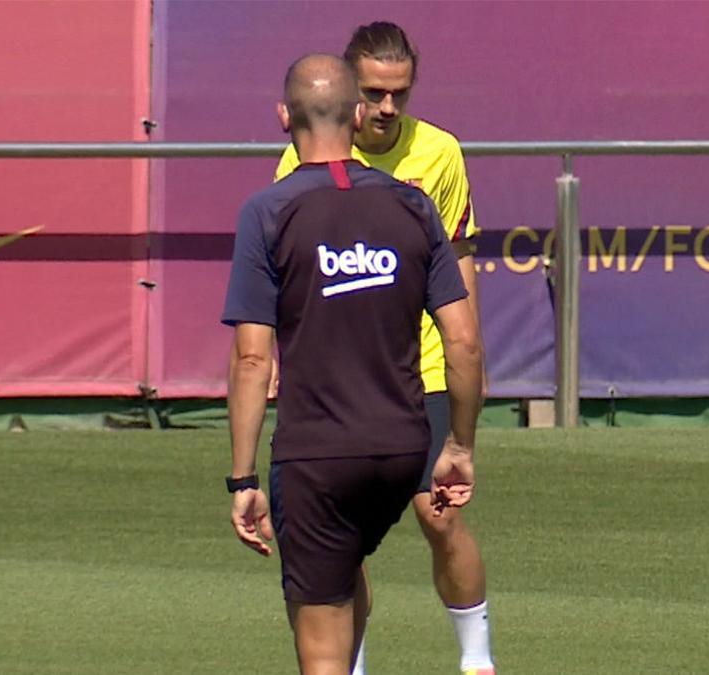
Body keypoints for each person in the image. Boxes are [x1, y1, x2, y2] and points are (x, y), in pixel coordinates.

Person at [223, 53, 483, 675]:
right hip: (402, 447)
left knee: (320, 649)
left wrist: (242, 480)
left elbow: (254, 357)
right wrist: (461, 445)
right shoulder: (413, 206)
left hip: (317, 455)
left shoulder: (268, 211)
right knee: (348, 558)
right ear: (359, 113)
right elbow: (465, 341)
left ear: (284, 117)